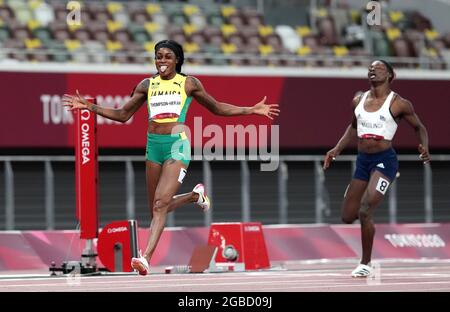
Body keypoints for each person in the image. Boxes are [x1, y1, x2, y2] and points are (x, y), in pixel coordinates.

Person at [63, 39, 279, 276]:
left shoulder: (188, 83)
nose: (162, 61)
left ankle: (145, 258)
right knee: (156, 207)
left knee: (160, 204)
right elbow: (123, 114)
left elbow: (217, 108)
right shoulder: (147, 84)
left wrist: (250, 110)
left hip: (177, 145)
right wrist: (90, 107)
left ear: (177, 59)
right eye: (158, 56)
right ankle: (194, 196)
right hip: (153, 146)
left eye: (167, 56)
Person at [323, 60, 430, 277]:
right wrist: (336, 149)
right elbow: (353, 127)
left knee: (365, 210)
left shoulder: (399, 103)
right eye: (370, 68)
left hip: (385, 161)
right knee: (347, 216)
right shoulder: (358, 100)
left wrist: (424, 147)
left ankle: (365, 263)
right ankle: (365, 218)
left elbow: (419, 127)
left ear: (390, 75)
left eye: (379, 68)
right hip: (363, 161)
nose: (373, 70)